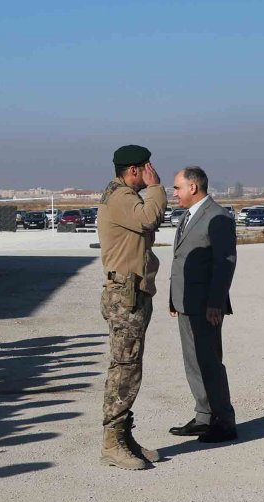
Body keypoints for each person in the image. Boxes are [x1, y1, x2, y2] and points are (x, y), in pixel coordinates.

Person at [95, 144, 167, 470]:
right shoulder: (121, 196)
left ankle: (123, 436)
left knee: (130, 364)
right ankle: (112, 443)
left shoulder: (123, 195)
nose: (151, 172)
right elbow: (150, 218)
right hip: (125, 295)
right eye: (147, 168)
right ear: (135, 170)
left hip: (133, 292)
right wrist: (156, 187)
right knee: (124, 367)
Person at [167, 166, 237, 443]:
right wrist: (174, 298)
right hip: (186, 302)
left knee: (209, 362)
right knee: (193, 363)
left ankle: (224, 421)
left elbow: (225, 263)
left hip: (207, 305)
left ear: (193, 187)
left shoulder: (217, 217)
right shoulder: (189, 215)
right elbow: (180, 261)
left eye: (177, 188)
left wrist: (215, 303)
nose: (174, 193)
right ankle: (204, 416)